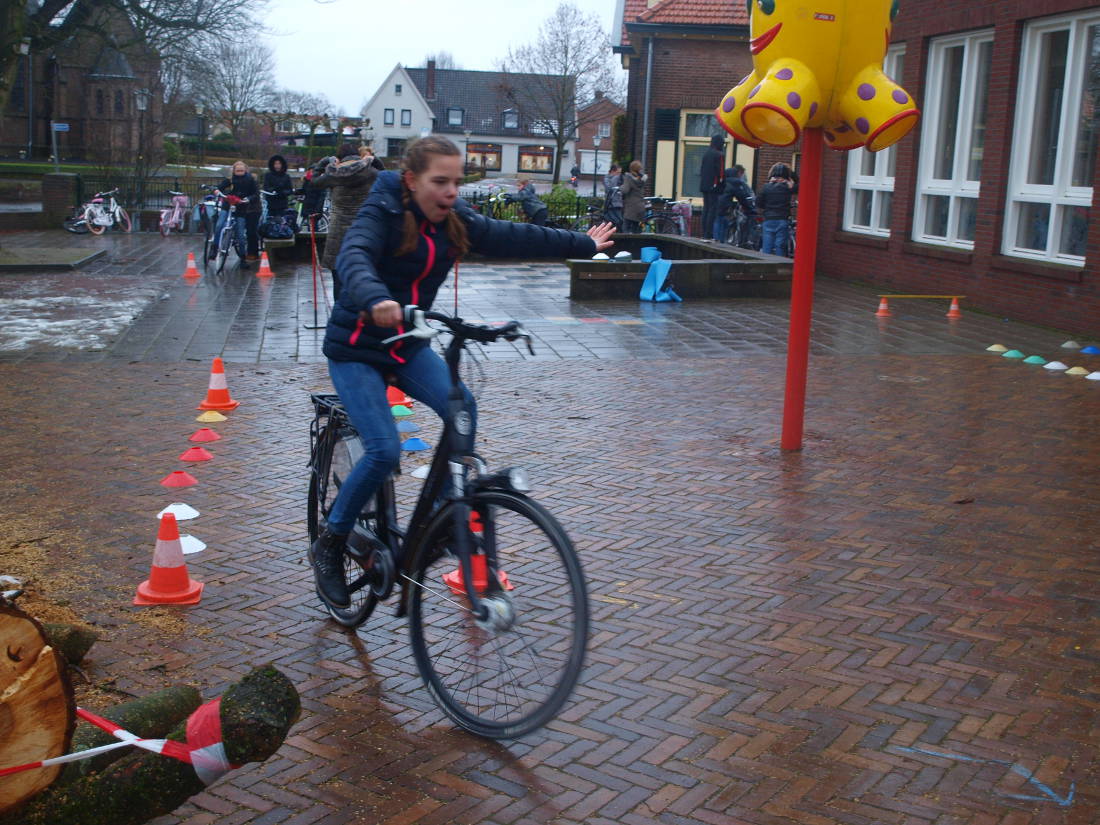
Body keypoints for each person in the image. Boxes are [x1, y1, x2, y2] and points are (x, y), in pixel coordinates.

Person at [312, 135, 616, 607]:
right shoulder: (382, 212)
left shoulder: (453, 220)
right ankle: (330, 542)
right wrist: (376, 300)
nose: (451, 191)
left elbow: (513, 236)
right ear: (412, 181)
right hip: (357, 349)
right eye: (440, 181)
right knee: (383, 450)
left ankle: (439, 518)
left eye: (457, 181)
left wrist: (582, 241)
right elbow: (355, 256)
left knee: (463, 409)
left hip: (407, 344)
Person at [310, 143, 385, 298]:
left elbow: (315, 181)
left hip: (338, 230)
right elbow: (387, 177)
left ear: (340, 157)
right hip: (364, 228)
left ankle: (340, 309)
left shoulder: (333, 174)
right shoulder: (371, 172)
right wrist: (374, 160)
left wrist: (325, 161)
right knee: (365, 272)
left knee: (338, 276)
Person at [211, 160, 261, 266]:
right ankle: (214, 248)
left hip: (241, 207)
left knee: (240, 234)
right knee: (219, 225)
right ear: (234, 171)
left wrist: (248, 199)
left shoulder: (250, 180)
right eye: (237, 171)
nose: (239, 173)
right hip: (228, 204)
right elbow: (220, 187)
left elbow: (255, 193)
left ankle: (243, 257)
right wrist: (217, 191)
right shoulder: (230, 179)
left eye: (241, 171)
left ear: (245, 170)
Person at [758, 162, 798, 256]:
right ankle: (779, 266)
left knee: (767, 246)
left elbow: (758, 203)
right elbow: (799, 185)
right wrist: (789, 175)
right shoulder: (788, 188)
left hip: (768, 219)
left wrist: (767, 207)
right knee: (780, 245)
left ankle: (765, 267)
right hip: (782, 219)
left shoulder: (765, 187)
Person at [715, 164, 757, 245]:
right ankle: (721, 244)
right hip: (725, 208)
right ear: (738, 173)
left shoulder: (722, 180)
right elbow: (742, 197)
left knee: (718, 223)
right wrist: (750, 210)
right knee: (724, 224)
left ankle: (716, 241)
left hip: (714, 206)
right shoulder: (735, 182)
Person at [698, 134, 726, 239]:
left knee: (706, 209)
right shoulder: (719, 155)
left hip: (704, 185)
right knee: (712, 210)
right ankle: (708, 234)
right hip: (714, 186)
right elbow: (721, 173)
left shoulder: (706, 154)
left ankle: (704, 233)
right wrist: (722, 185)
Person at [262, 154, 294, 222]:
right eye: (275, 164)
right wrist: (274, 190)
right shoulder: (268, 175)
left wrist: (282, 193)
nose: (277, 166)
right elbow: (266, 188)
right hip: (270, 204)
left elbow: (290, 190)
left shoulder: (286, 176)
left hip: (282, 204)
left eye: (279, 164)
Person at [620, 160, 647, 233]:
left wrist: (620, 187)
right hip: (640, 206)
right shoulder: (642, 179)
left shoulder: (628, 178)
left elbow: (625, 190)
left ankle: (626, 244)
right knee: (636, 229)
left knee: (625, 228)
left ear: (631, 168)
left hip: (631, 207)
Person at [602, 163, 624, 230]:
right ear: (612, 171)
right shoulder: (607, 178)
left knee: (619, 222)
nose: (619, 174)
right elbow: (609, 189)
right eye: (618, 172)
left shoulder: (618, 179)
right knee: (616, 221)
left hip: (618, 203)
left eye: (620, 173)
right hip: (611, 204)